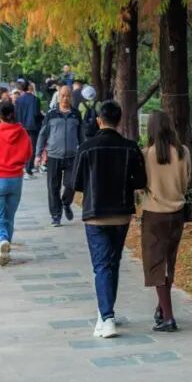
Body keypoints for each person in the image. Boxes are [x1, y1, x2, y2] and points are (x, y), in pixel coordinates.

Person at [72, 98, 146, 338]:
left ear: (98, 120)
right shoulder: (131, 147)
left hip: (95, 214)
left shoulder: (86, 147)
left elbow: (77, 183)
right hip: (122, 214)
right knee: (112, 263)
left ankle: (107, 317)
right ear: (119, 120)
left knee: (102, 266)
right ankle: (106, 312)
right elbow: (141, 181)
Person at [139, 109, 191, 333]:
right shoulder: (184, 153)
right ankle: (162, 308)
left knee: (156, 265)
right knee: (169, 262)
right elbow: (188, 181)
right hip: (177, 213)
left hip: (154, 213)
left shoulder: (146, 154)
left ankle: (168, 316)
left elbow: (141, 185)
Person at [0, 97, 33, 265]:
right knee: (9, 216)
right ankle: (4, 248)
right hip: (16, 179)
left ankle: (1, 240)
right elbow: (28, 154)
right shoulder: (22, 132)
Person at [36, 84, 82, 226]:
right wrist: (38, 154)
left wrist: (84, 152)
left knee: (71, 184)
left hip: (72, 156)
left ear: (71, 97)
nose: (65, 98)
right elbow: (42, 135)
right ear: (58, 96)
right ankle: (56, 215)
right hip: (54, 156)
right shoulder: (51, 114)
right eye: (62, 95)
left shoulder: (76, 114)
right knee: (53, 187)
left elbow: (82, 135)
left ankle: (66, 203)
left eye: (68, 95)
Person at [13, 80, 43, 175]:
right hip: (33, 127)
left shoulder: (18, 100)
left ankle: (21, 166)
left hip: (21, 126)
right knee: (32, 147)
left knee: (21, 146)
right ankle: (28, 168)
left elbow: (16, 114)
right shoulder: (35, 99)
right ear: (30, 87)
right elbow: (36, 114)